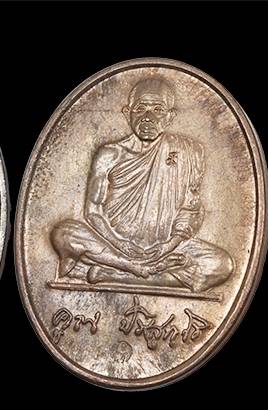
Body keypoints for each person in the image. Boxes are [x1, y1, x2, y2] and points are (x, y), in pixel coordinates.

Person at [50, 77, 233, 293]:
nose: (148, 117)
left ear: (170, 116)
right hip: (113, 244)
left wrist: (169, 245)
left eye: (158, 110)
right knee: (63, 233)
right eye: (140, 109)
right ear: (128, 113)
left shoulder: (188, 151)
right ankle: (134, 269)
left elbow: (190, 209)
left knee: (222, 265)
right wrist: (120, 244)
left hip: (163, 250)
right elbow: (93, 211)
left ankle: (116, 274)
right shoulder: (110, 154)